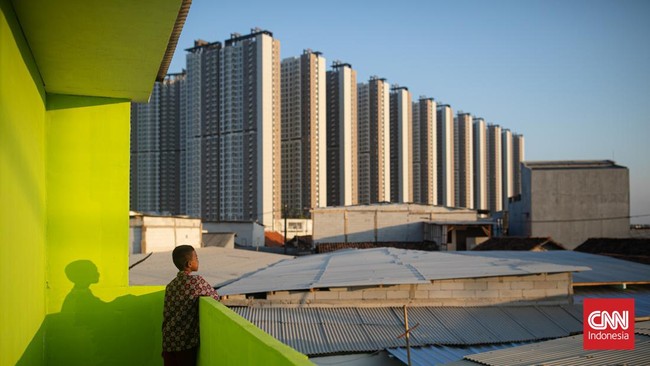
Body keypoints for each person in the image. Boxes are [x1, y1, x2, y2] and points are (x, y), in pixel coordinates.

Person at [162, 245, 220, 366]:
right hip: (184, 343)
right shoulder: (196, 282)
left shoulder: (171, 285)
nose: (198, 261)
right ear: (189, 264)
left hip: (168, 341)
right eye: (196, 258)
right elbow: (215, 297)